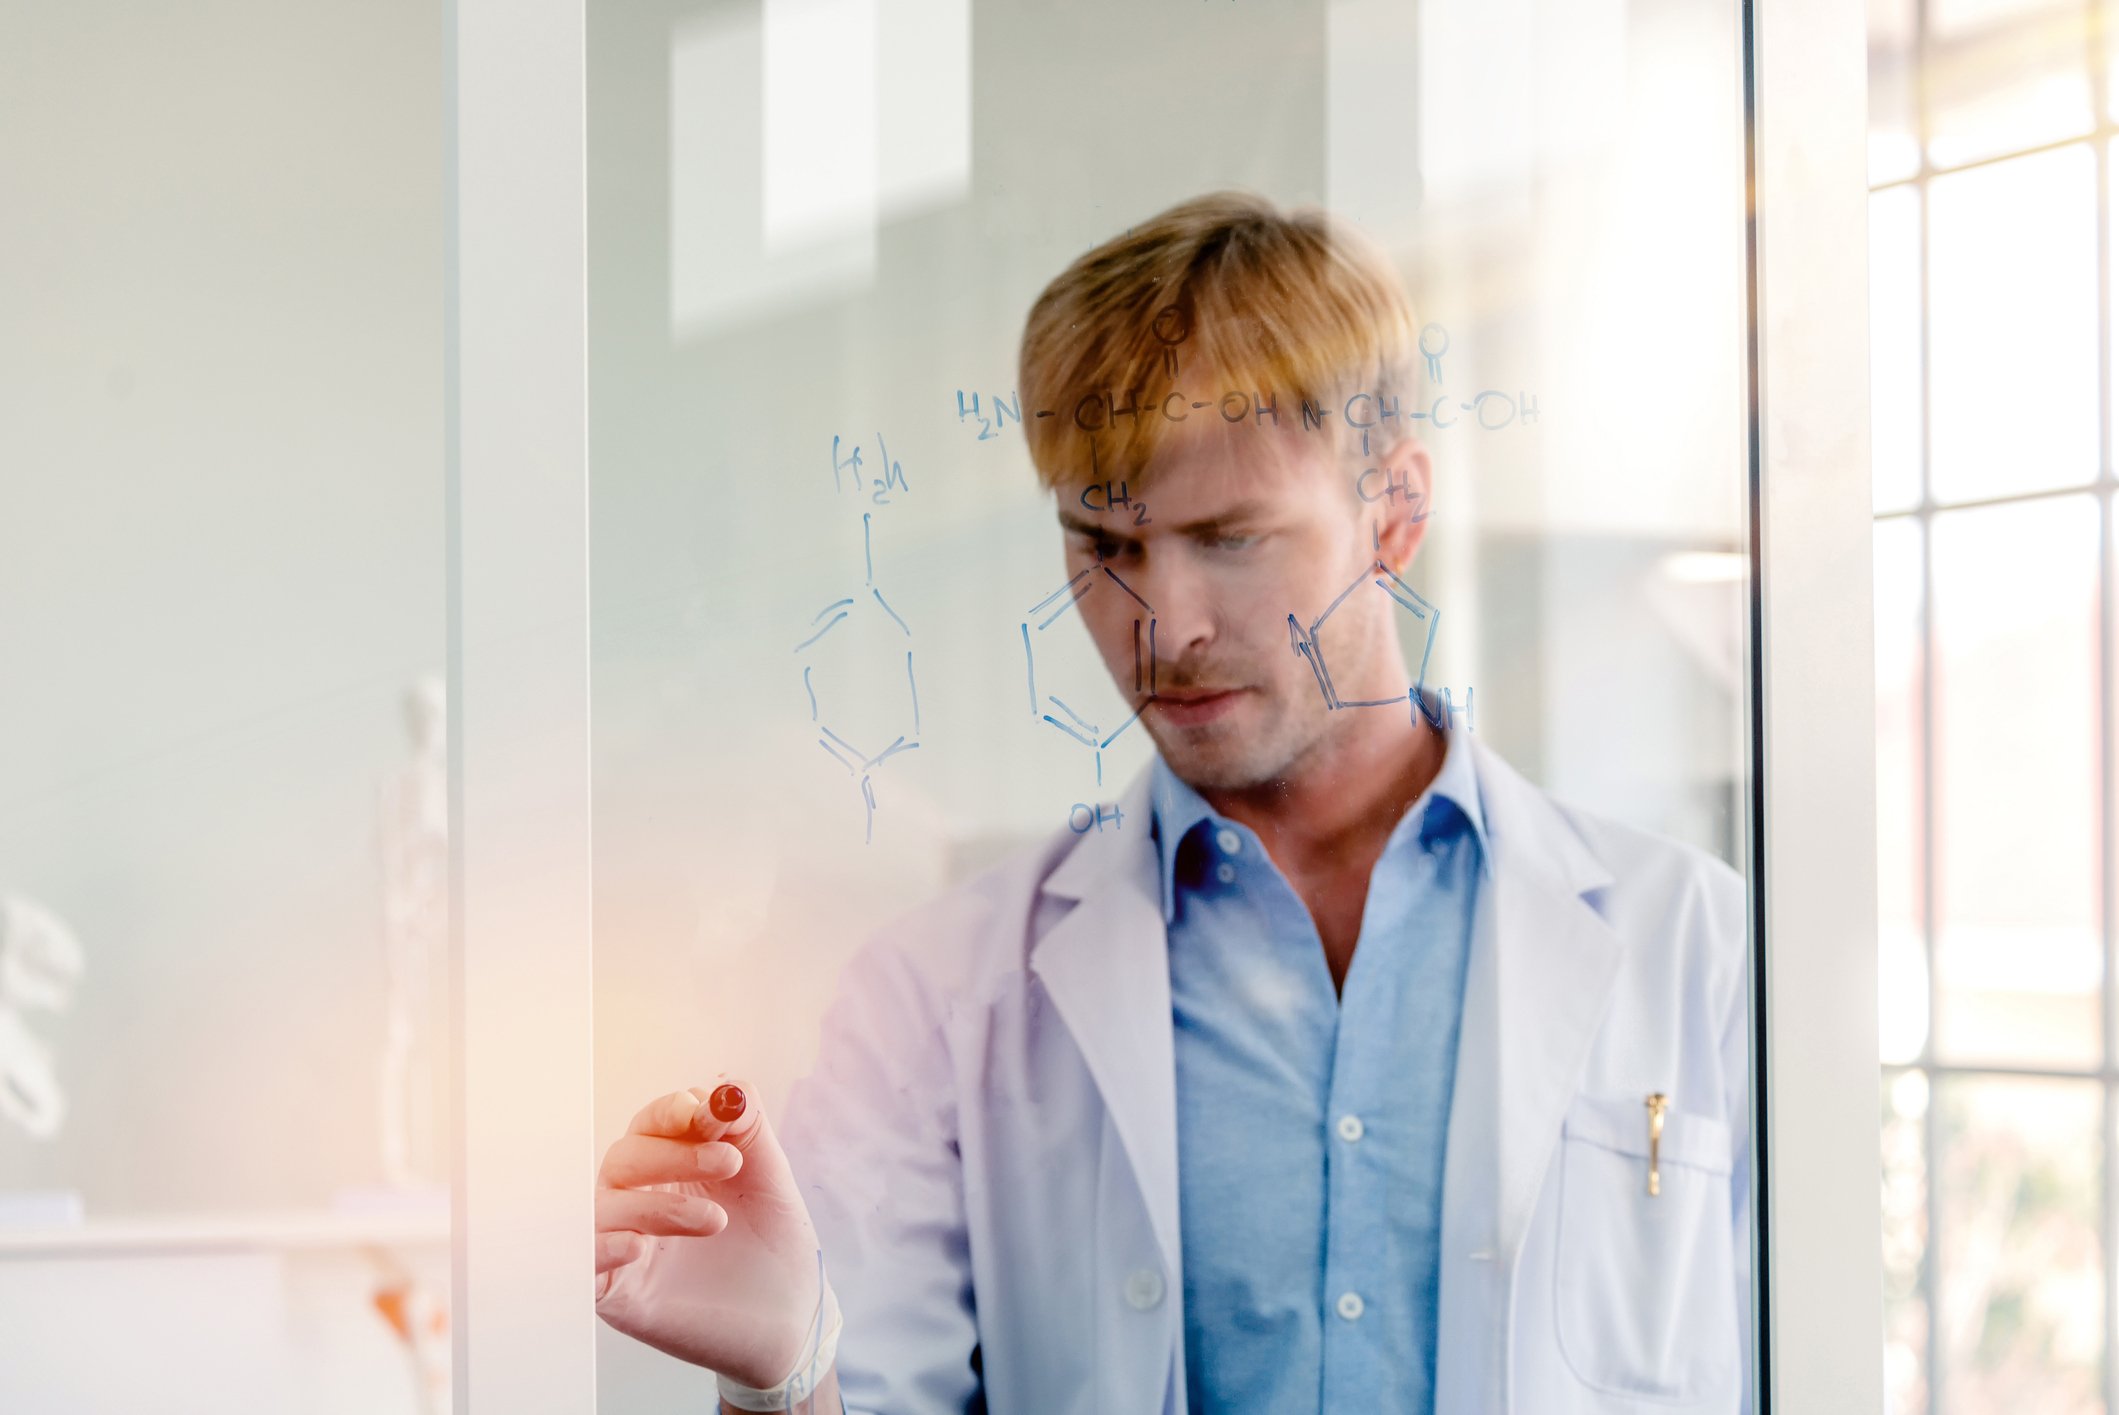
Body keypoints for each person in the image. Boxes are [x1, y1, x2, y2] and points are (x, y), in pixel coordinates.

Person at [592, 191, 1752, 1414]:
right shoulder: (935, 1000)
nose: (1166, 625)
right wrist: (785, 1376)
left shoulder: (1694, 944)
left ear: (1394, 512)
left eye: (1232, 537)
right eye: (1105, 546)